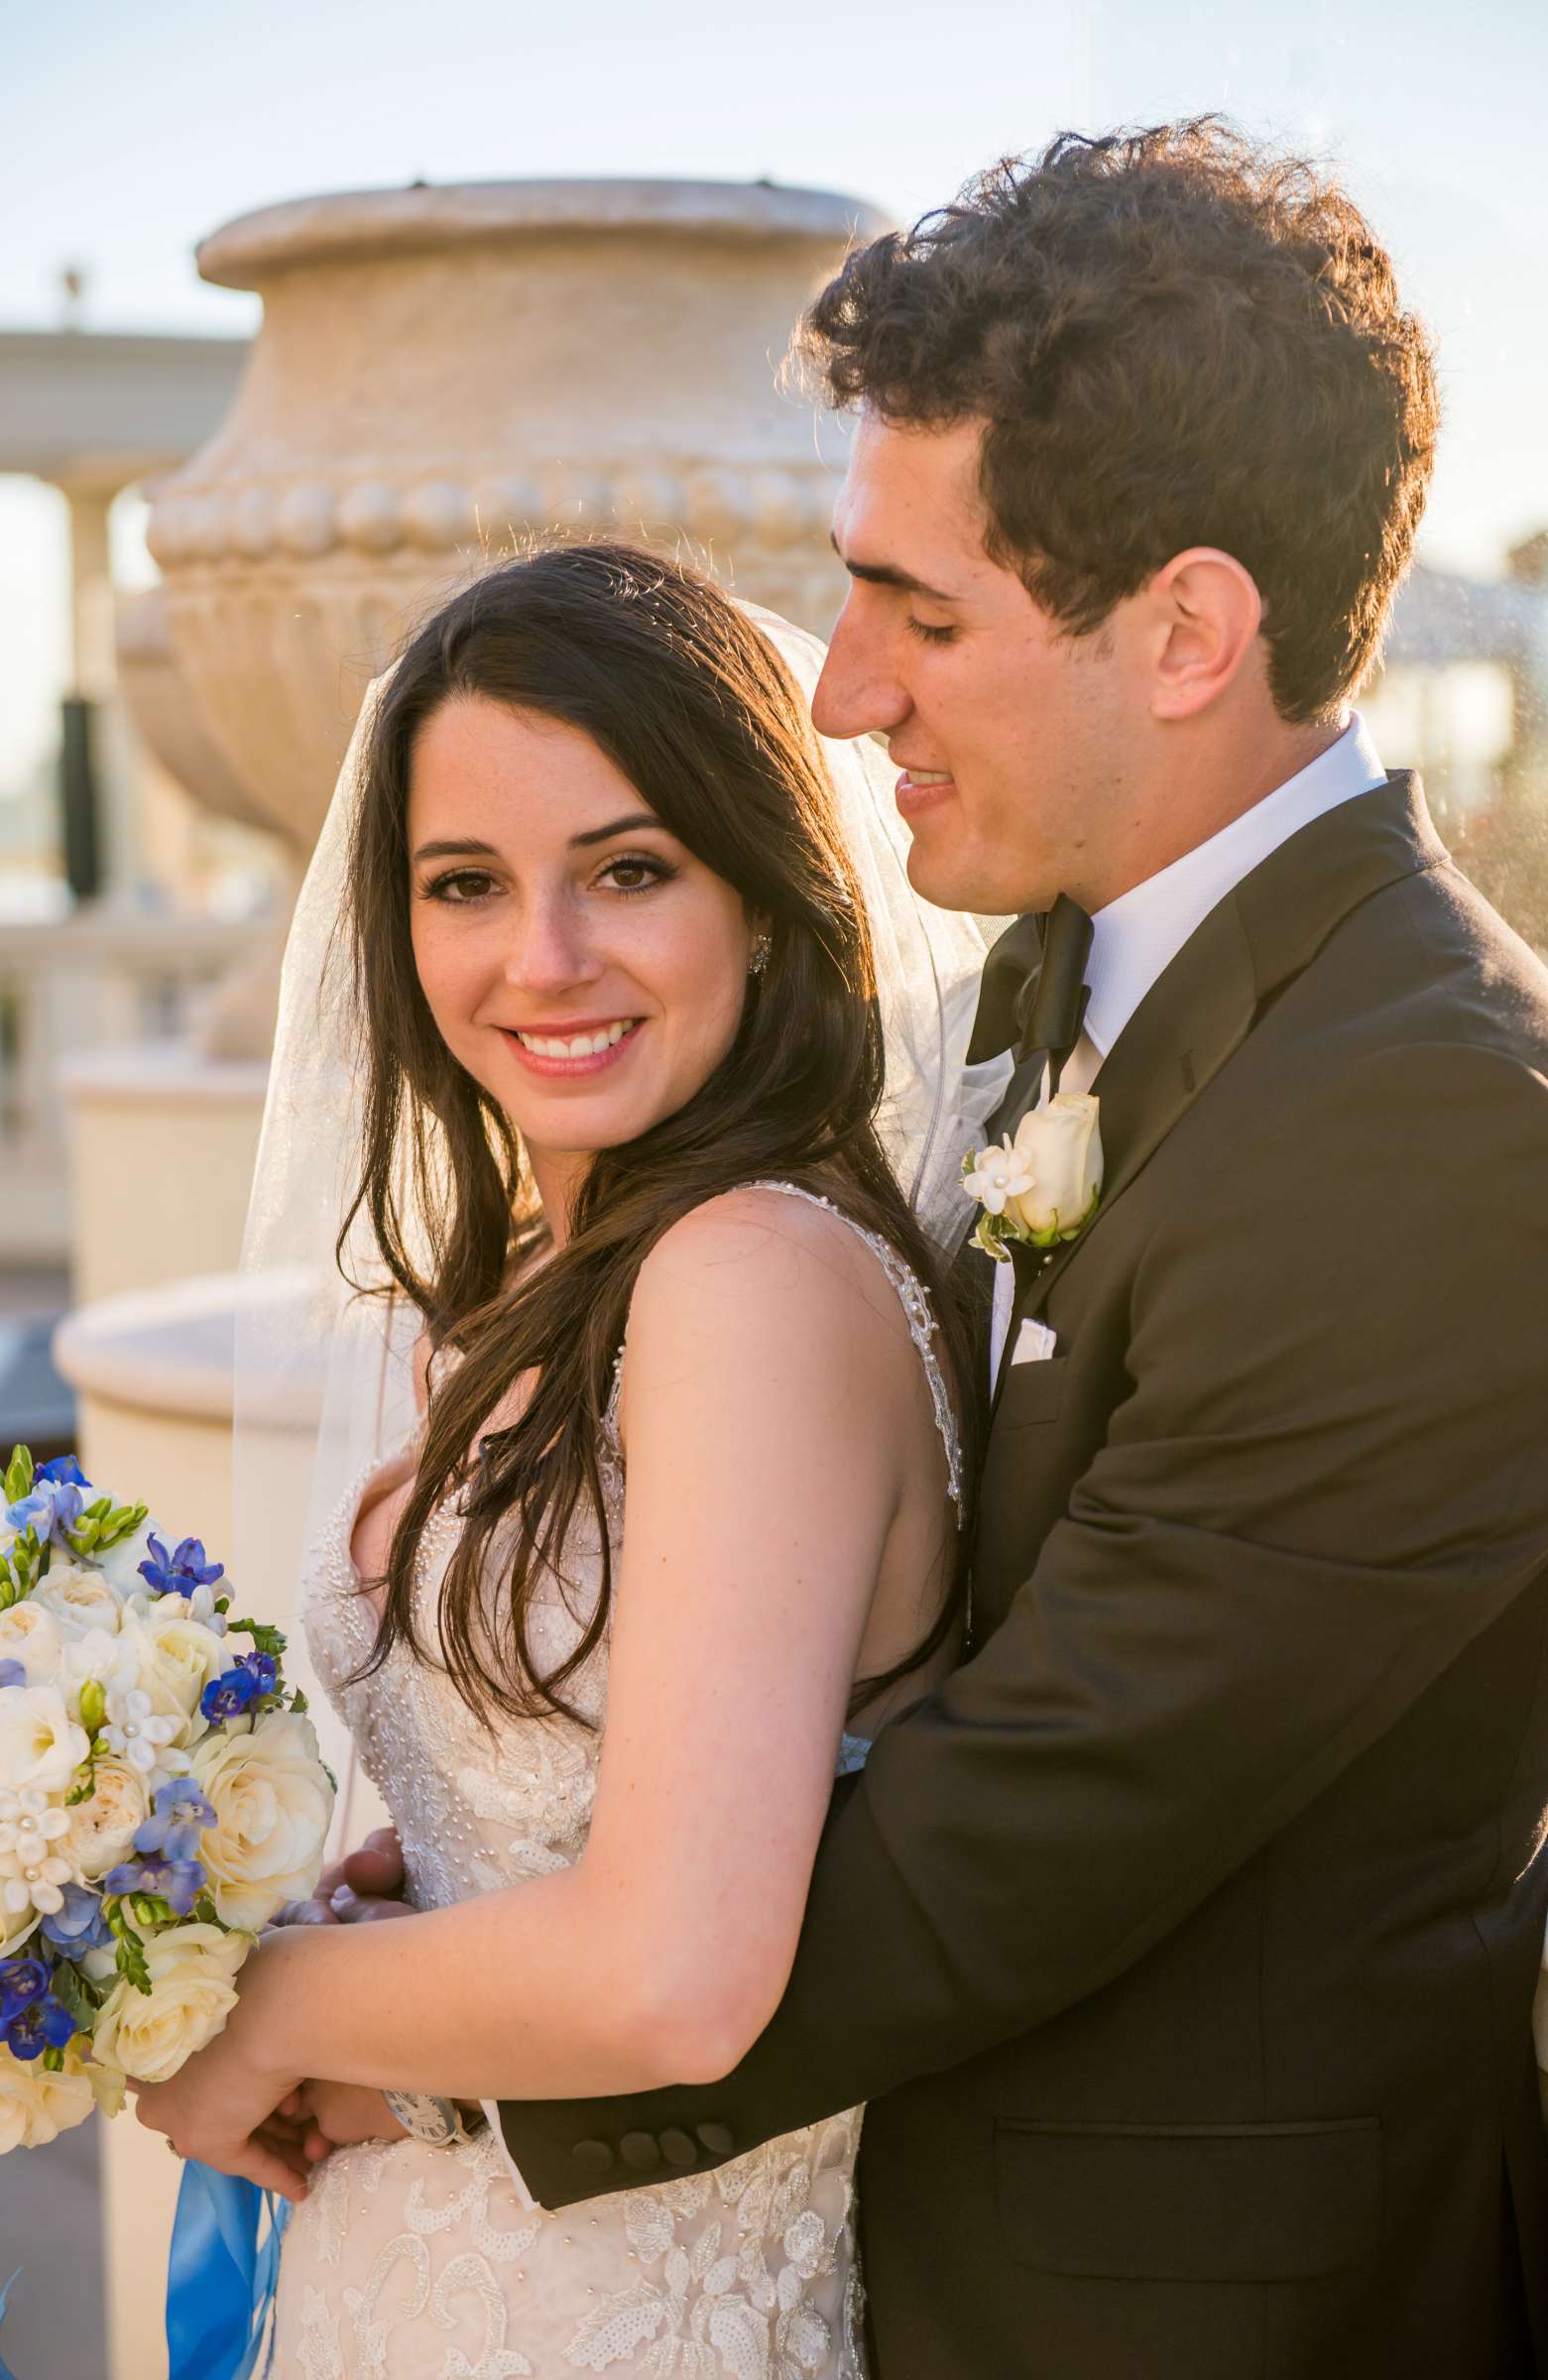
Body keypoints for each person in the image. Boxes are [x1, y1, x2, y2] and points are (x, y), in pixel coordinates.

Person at [290, 120, 1548, 2377]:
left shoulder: (1447, 1123)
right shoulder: (1055, 978)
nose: (841, 690)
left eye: (920, 609)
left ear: (1187, 629)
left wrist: (396, 2034)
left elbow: (1032, 1822)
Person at [130, 541, 1002, 2376]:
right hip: (431, 2276)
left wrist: (264, 2005)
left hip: (628, 2315)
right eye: (467, 884)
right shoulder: (553, 1273)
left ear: (765, 898)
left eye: (627, 870)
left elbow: (672, 1973)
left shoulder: (747, 1276)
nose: (543, 961)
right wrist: (391, 1900)